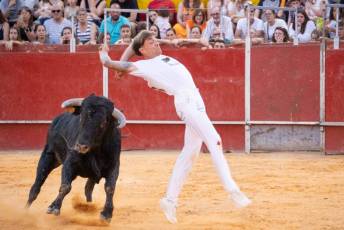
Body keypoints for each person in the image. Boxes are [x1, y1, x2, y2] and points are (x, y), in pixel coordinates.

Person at [98, 30, 251, 224]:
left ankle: (169, 200)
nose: (156, 43)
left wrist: (125, 57)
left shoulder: (156, 57)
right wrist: (104, 54)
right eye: (151, 42)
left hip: (195, 99)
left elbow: (132, 47)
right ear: (143, 50)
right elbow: (109, 63)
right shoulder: (143, 66)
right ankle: (232, 191)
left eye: (155, 39)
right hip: (186, 101)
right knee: (215, 140)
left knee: (190, 154)